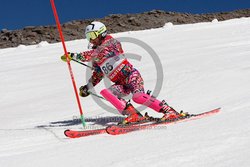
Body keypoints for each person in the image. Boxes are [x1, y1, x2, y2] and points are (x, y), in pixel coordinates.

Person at [61, 21, 185, 124]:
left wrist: (75, 56)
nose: (91, 40)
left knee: (138, 97)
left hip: (131, 76)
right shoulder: (96, 56)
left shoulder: (111, 43)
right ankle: (134, 114)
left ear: (101, 33)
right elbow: (98, 74)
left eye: (92, 36)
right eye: (88, 37)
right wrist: (87, 87)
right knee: (107, 92)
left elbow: (100, 52)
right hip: (121, 84)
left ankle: (169, 111)